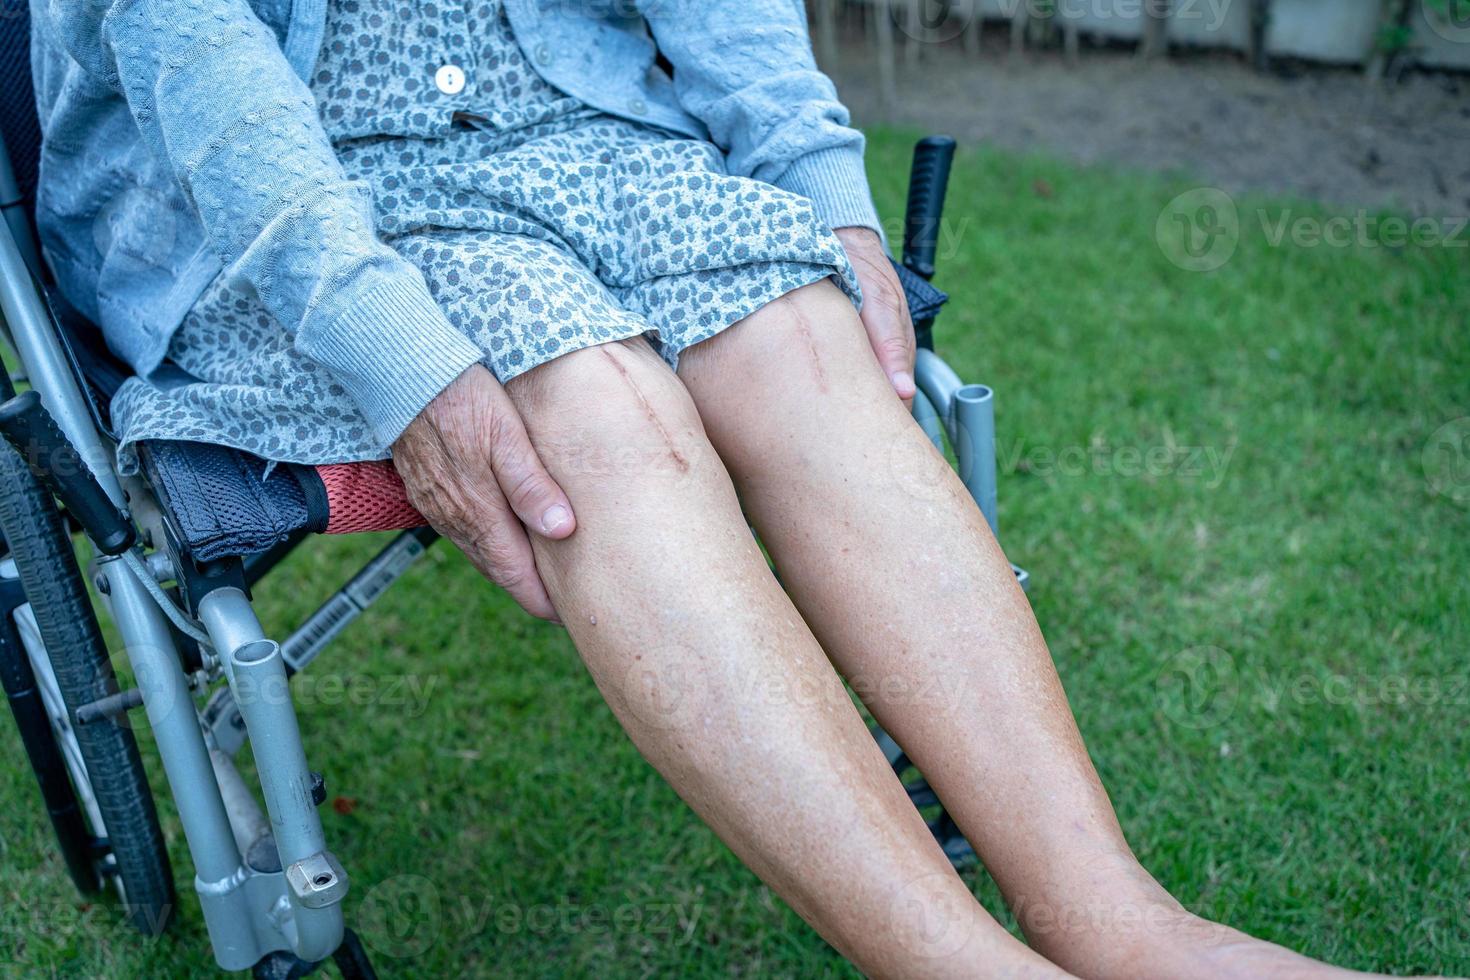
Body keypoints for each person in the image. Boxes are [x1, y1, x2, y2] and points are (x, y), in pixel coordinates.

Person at [29, 2, 1421, 976]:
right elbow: (199, 63)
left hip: (586, 136)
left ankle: (1124, 927)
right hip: (287, 201)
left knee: (804, 338)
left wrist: (826, 191)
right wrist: (390, 344)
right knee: (593, 404)